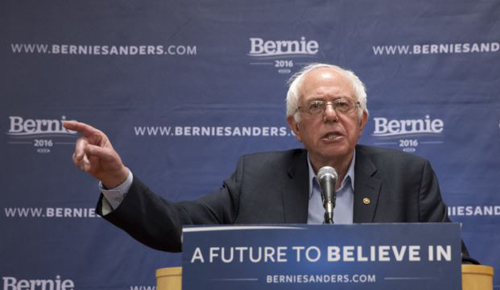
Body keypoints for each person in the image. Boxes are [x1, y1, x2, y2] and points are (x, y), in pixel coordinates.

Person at [64, 63, 475, 262]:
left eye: (343, 105)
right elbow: (176, 229)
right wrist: (117, 178)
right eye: (316, 106)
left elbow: (457, 267)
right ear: (295, 127)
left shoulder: (409, 177)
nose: (331, 115)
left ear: (361, 120)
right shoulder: (256, 176)